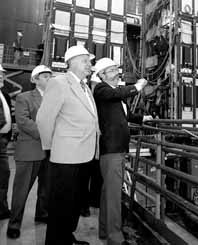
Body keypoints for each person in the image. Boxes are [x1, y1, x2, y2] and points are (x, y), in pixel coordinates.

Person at [36, 45, 100, 245]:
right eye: (85, 60)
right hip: (66, 156)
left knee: (74, 203)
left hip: (86, 155)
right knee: (61, 205)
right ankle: (56, 241)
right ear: (71, 62)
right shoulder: (59, 83)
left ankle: (67, 237)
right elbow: (44, 119)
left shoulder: (85, 87)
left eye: (89, 61)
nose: (89, 64)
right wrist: (51, 148)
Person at [93, 57, 152, 245]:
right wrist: (138, 86)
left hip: (115, 149)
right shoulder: (102, 89)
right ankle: (115, 238)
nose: (116, 72)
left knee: (107, 192)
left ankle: (104, 230)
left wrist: (143, 119)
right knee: (113, 194)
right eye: (111, 70)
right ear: (102, 75)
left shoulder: (114, 95)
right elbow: (119, 93)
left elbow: (125, 116)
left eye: (115, 69)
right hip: (112, 149)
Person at [6, 65, 52, 239]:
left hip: (50, 151)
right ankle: (14, 223)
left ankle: (42, 213)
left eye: (50, 76)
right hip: (30, 149)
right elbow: (24, 121)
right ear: (35, 79)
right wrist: (48, 133)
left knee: (46, 188)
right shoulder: (23, 97)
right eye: (45, 76)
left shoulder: (54, 99)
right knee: (21, 189)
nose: (49, 79)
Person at [0, 64, 12, 221]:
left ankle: (2, 209)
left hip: (2, 142)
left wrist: (6, 138)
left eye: (2, 74)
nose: (1, 76)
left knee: (3, 176)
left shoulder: (4, 94)